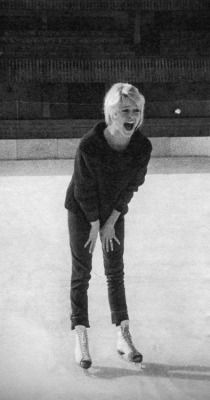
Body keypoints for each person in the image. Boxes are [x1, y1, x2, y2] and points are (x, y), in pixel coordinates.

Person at [65, 83, 152, 369]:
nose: (131, 116)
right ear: (112, 113)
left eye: (135, 110)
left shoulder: (141, 145)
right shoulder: (90, 144)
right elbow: (83, 189)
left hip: (113, 210)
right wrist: (93, 224)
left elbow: (132, 185)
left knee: (115, 271)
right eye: (125, 110)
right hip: (82, 211)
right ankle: (80, 335)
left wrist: (112, 221)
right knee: (82, 272)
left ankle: (122, 334)